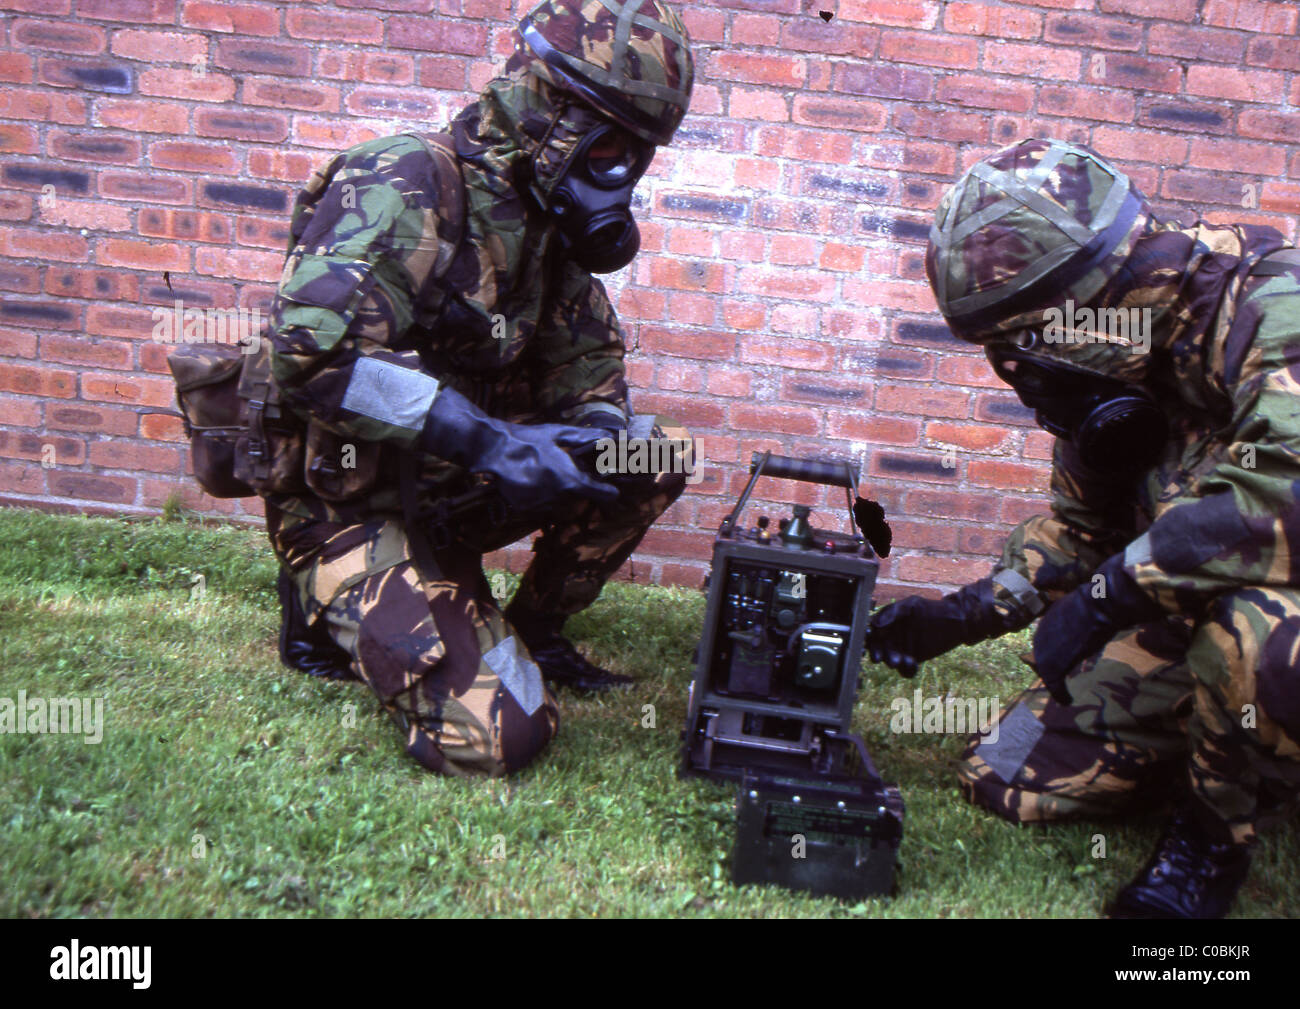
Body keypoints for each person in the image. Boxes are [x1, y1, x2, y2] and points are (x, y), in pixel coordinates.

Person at [259, 0, 695, 777]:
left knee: (645, 456)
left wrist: (588, 435)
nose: (622, 168)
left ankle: (535, 633)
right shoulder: (407, 178)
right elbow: (311, 356)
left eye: (637, 151)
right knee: (498, 734)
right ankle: (323, 600)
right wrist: (490, 440)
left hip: (448, 493)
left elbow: (590, 367)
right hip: (348, 503)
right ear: (551, 109)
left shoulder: (543, 225)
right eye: (614, 145)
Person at [867, 137, 1300, 918]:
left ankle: (1210, 842)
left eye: (1019, 350)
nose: (1019, 379)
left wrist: (1105, 600)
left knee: (1252, 634)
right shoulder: (1113, 377)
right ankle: (1227, 743)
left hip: (1275, 614)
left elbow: (1284, 496)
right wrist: (956, 616)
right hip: (1194, 624)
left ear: (1086, 306)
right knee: (1008, 776)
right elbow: (1081, 533)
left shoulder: (1275, 305)